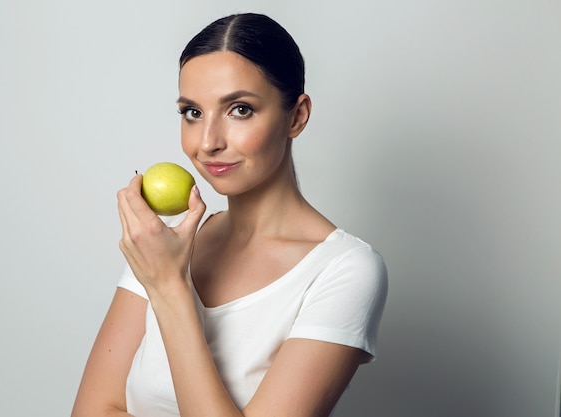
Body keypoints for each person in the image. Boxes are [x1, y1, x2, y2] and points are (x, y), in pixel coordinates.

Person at [71, 12, 387, 417]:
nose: (207, 143)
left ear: (297, 116)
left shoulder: (344, 271)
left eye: (239, 109)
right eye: (192, 112)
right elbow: (93, 409)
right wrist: (163, 272)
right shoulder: (167, 243)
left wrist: (170, 288)